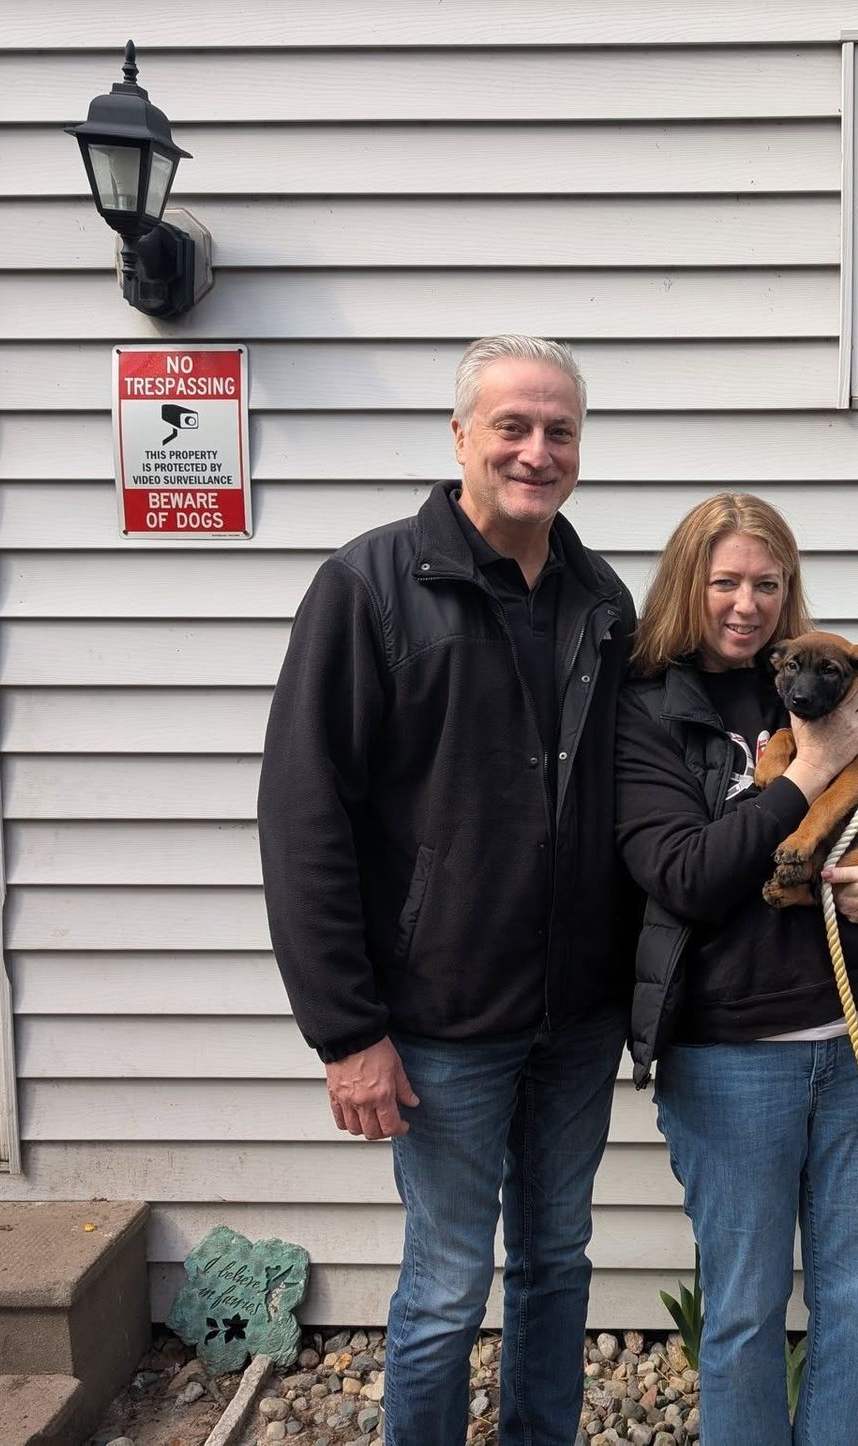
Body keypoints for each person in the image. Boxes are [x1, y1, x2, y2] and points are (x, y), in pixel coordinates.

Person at [257, 335, 637, 1446]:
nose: (536, 449)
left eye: (558, 430)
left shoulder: (598, 598)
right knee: (445, 1285)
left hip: (574, 1017)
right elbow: (302, 814)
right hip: (440, 1022)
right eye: (512, 426)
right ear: (461, 435)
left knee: (558, 1262)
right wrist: (346, 1030)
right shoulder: (370, 586)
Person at [615, 493, 858, 1446]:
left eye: (766, 584)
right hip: (733, 1055)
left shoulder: (838, 680)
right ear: (689, 583)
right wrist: (810, 775)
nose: (745, 602)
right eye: (724, 581)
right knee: (742, 1308)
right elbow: (684, 875)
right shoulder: (647, 712)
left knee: (857, 1300)